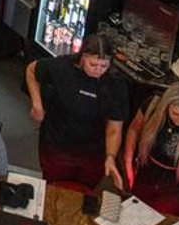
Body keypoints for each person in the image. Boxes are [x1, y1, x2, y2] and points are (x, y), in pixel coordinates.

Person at [25, 32, 128, 189]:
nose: (98, 70)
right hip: (57, 145)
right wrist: (37, 104)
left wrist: (110, 156)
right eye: (93, 65)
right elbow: (32, 70)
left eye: (104, 66)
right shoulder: (61, 68)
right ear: (83, 57)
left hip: (92, 153)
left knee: (85, 191)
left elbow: (114, 127)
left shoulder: (115, 84)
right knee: (54, 188)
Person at [123, 79, 179, 217]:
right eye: (175, 113)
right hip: (146, 173)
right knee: (132, 215)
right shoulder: (152, 105)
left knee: (156, 221)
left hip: (175, 185)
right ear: (166, 105)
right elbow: (134, 128)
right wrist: (128, 162)